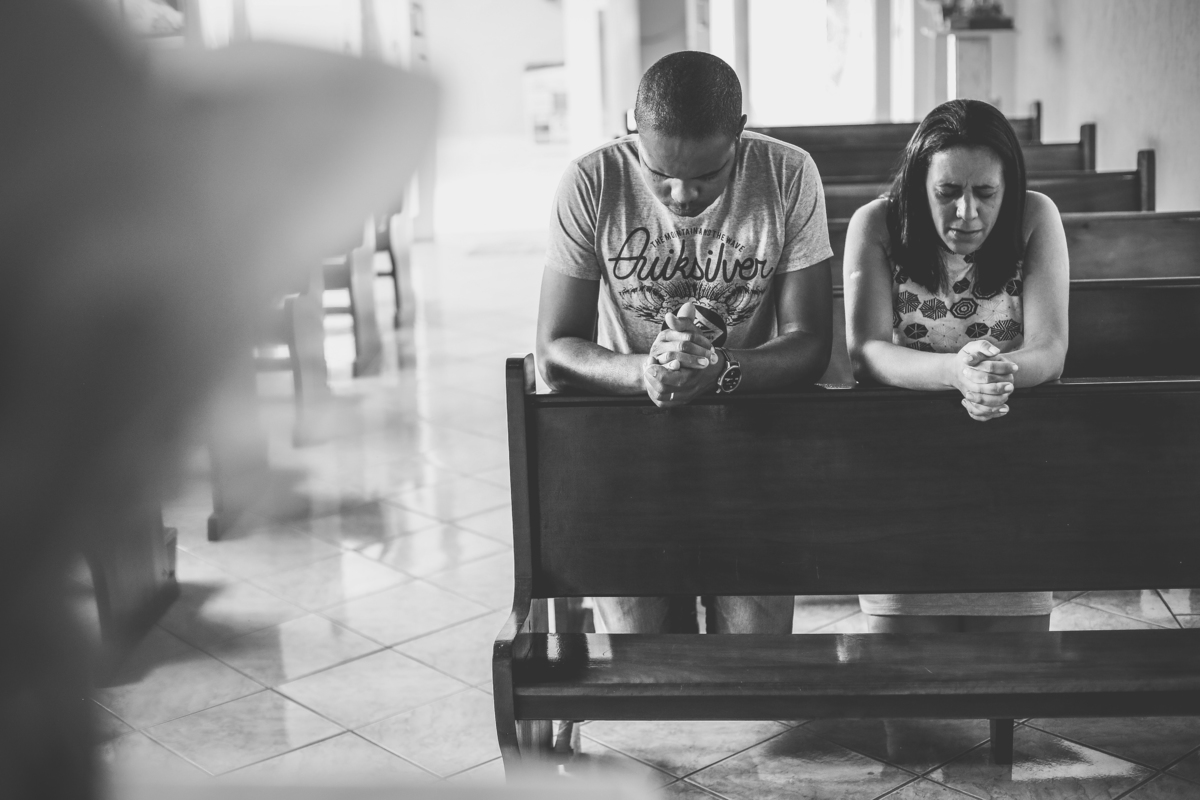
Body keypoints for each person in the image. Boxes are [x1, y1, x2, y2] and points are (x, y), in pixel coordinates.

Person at [535, 51, 833, 635]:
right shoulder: (593, 180)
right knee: (640, 647)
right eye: (661, 173)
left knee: (754, 650)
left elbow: (810, 341)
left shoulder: (788, 173)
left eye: (705, 177)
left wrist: (721, 370)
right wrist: (645, 372)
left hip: (752, 435)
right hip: (627, 438)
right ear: (633, 128)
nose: (680, 195)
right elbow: (555, 347)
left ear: (739, 133)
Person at [843, 98, 1069, 633]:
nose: (967, 213)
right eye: (947, 192)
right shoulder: (877, 224)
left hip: (1011, 456)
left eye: (986, 193)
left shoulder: (1035, 216)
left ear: (1008, 187)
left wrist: (994, 376)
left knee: (1015, 652)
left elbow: (1050, 346)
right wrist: (955, 372)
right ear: (919, 183)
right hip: (904, 462)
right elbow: (867, 351)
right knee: (900, 652)